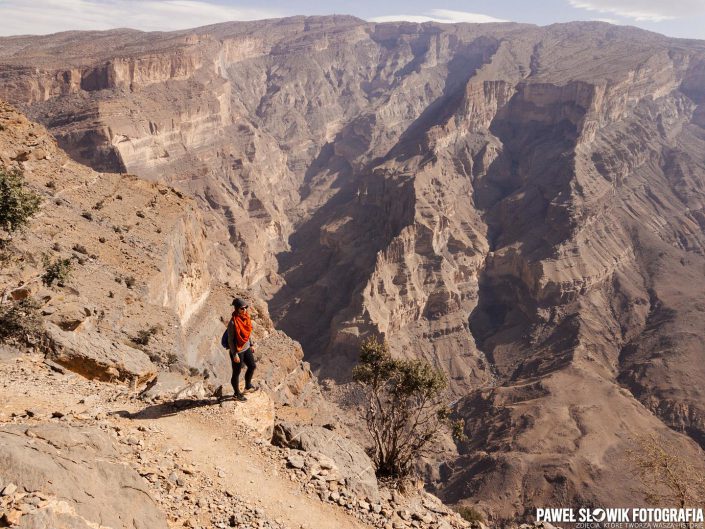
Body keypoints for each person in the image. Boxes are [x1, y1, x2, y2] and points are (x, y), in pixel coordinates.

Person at [227, 297, 257, 401]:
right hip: (237, 351)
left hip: (247, 347)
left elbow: (248, 333)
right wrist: (234, 354)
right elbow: (230, 340)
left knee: (252, 366)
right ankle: (236, 394)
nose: (244, 310)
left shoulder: (246, 317)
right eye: (242, 308)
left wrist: (251, 344)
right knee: (236, 373)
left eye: (245, 308)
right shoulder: (232, 323)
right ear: (236, 309)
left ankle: (248, 386)